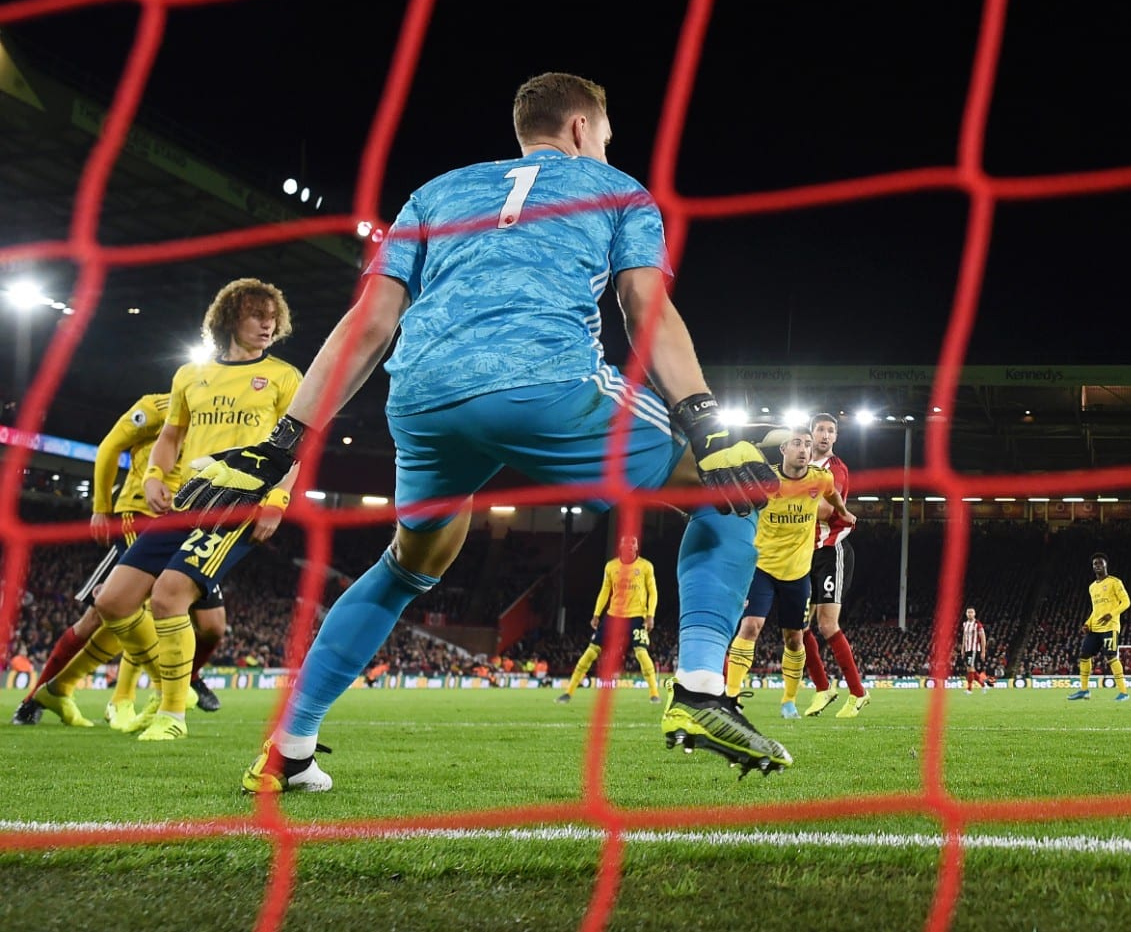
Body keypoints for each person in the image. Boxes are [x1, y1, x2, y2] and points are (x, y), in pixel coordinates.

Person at [178, 73, 782, 791]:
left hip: (423, 398)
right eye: (606, 136)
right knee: (731, 488)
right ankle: (702, 690)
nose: (606, 148)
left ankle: (288, 747)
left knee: (407, 564)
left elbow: (370, 323)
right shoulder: (618, 190)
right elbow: (645, 311)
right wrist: (704, 419)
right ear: (583, 128)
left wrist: (283, 442)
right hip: (546, 382)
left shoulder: (434, 193)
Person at [36, 282, 300, 741]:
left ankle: (172, 714)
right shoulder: (189, 376)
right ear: (229, 319)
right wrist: (155, 475)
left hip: (238, 503)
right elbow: (170, 437)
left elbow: (296, 448)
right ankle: (163, 684)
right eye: (257, 314)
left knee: (168, 597)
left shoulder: (284, 377)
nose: (268, 324)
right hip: (185, 501)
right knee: (113, 601)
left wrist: (277, 500)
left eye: (272, 316)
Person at [12, 393, 226, 726]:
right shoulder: (157, 407)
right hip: (140, 515)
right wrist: (101, 507)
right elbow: (110, 446)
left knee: (212, 624)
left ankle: (64, 689)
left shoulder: (221, 416)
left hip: (187, 521)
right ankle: (130, 696)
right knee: (120, 610)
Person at [725, 429, 853, 719]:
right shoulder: (764, 480)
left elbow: (833, 495)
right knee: (751, 626)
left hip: (797, 573)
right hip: (762, 568)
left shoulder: (820, 478)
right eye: (797, 443)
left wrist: (844, 512)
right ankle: (730, 696)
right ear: (783, 449)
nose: (804, 449)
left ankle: (789, 701)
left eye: (807, 444)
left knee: (794, 638)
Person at [799, 413, 869, 718]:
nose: (825, 435)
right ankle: (822, 688)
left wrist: (791, 495)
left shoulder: (835, 469)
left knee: (827, 624)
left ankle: (858, 693)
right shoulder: (800, 466)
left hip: (831, 551)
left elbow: (826, 510)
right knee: (797, 627)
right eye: (820, 430)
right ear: (811, 433)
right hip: (803, 554)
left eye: (830, 430)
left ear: (836, 437)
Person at [557, 534, 660, 703]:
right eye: (626, 544)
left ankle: (654, 694)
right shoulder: (611, 566)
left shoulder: (645, 566)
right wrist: (596, 614)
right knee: (591, 651)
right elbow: (605, 591)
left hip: (636, 616)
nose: (629, 547)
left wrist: (651, 615)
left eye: (632, 544)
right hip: (613, 616)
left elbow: (653, 592)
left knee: (641, 652)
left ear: (636, 547)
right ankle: (568, 692)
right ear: (620, 546)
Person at [1067, 553, 1130, 702]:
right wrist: (1087, 623)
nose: (1097, 566)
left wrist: (1111, 614)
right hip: (1095, 628)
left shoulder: (1115, 582)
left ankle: (1123, 692)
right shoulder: (1092, 587)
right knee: (1084, 656)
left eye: (1100, 563)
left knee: (1111, 656)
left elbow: (1126, 602)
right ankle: (1084, 691)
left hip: (1110, 627)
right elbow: (1096, 610)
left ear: (1106, 565)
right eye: (1095, 564)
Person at [960, 606, 988, 693]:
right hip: (967, 649)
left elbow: (983, 638)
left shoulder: (977, 624)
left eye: (971, 612)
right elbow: (964, 637)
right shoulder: (965, 624)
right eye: (968, 612)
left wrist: (983, 651)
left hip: (974, 650)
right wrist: (962, 649)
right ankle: (983, 685)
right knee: (970, 669)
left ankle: (969, 689)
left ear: (974, 614)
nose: (970, 614)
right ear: (966, 614)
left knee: (971, 668)